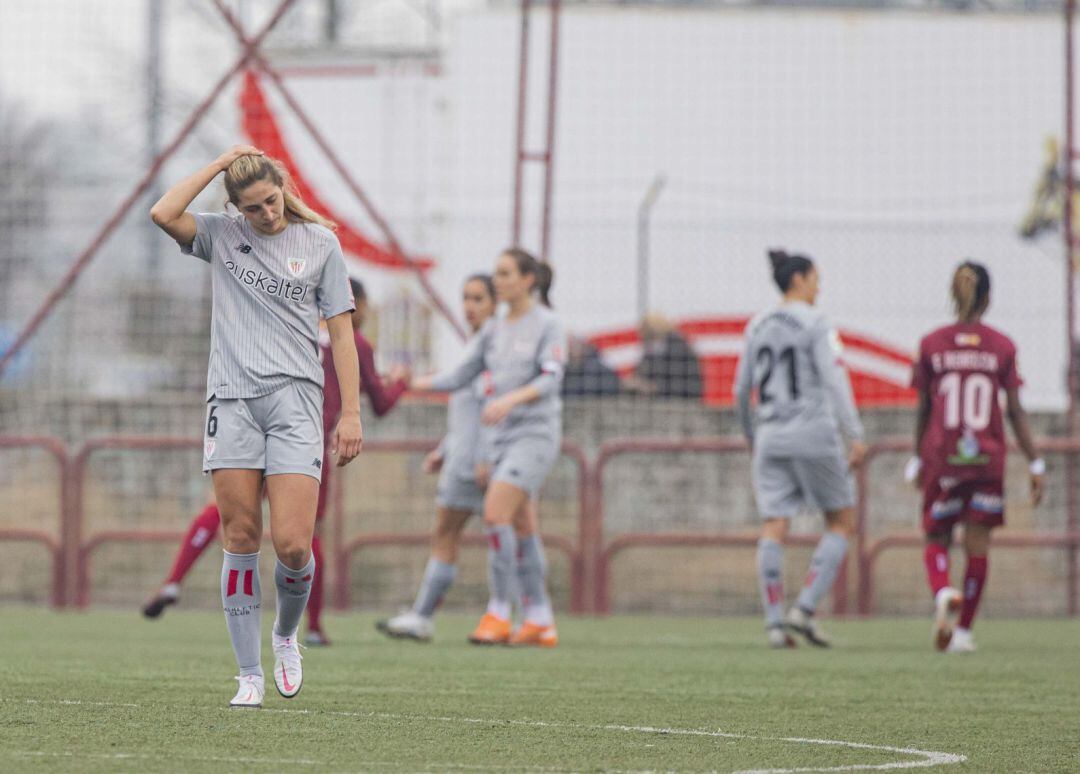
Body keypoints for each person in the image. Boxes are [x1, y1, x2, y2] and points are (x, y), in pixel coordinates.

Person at [150, 146, 363, 708]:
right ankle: (248, 675)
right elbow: (162, 213)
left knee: (293, 545)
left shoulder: (321, 244)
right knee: (240, 537)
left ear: (285, 187)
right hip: (232, 402)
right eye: (252, 208)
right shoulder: (223, 236)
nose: (266, 215)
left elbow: (342, 335)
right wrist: (220, 163)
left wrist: (352, 413)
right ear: (235, 207)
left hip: (296, 404)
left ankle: (286, 636)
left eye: (271, 201)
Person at [141, 278, 409, 648]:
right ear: (355, 304)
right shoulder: (355, 343)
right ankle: (311, 628)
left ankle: (174, 580)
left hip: (261, 425)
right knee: (306, 536)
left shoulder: (291, 327)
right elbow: (379, 401)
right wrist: (401, 383)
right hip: (304, 440)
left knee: (228, 516)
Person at [410, 249, 566, 647]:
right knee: (522, 525)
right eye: (496, 273)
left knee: (496, 514)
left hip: (534, 436)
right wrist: (408, 382)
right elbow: (460, 375)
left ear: (528, 279)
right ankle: (538, 617)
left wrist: (510, 400)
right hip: (501, 438)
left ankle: (499, 611)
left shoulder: (547, 325)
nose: (498, 280)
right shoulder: (494, 331)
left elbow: (551, 378)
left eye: (505, 273)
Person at [906, 261, 1045, 653]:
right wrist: (1035, 462)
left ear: (954, 295)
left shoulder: (932, 343)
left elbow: (923, 408)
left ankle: (942, 591)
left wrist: (916, 457)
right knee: (978, 544)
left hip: (943, 458)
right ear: (989, 298)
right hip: (986, 459)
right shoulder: (1002, 346)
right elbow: (1015, 410)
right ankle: (963, 631)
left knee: (936, 537)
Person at [734, 249, 867, 649]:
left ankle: (774, 624)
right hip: (812, 431)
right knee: (841, 522)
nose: (818, 287)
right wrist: (855, 433)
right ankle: (805, 608)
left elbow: (741, 389)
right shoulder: (817, 322)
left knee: (774, 524)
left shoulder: (757, 325)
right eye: (815, 279)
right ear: (798, 280)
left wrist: (751, 436)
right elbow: (833, 379)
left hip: (770, 434)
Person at [376, 274, 498, 641]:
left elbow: (490, 409)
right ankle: (511, 614)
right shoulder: (481, 347)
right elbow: (471, 412)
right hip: (469, 458)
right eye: (466, 298)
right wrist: (444, 450)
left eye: (478, 298)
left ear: (495, 304)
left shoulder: (490, 350)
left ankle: (426, 615)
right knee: (508, 537)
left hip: (473, 466)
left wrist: (484, 457)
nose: (469, 307)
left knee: (449, 537)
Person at [624, 314, 702, 399]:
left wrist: (655, 388)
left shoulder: (680, 351)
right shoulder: (650, 353)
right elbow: (641, 374)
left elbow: (686, 387)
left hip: (680, 404)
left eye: (649, 336)